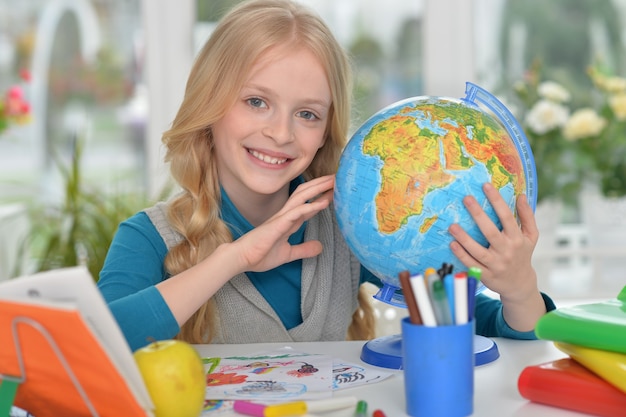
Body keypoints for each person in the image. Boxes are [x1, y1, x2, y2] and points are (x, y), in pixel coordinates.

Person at [97, 0, 555, 352]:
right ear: (209, 105)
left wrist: (519, 288)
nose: (280, 133)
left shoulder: (353, 226)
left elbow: (500, 327)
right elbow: (95, 345)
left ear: (325, 133)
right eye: (256, 101)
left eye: (308, 114)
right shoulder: (148, 238)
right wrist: (233, 259)